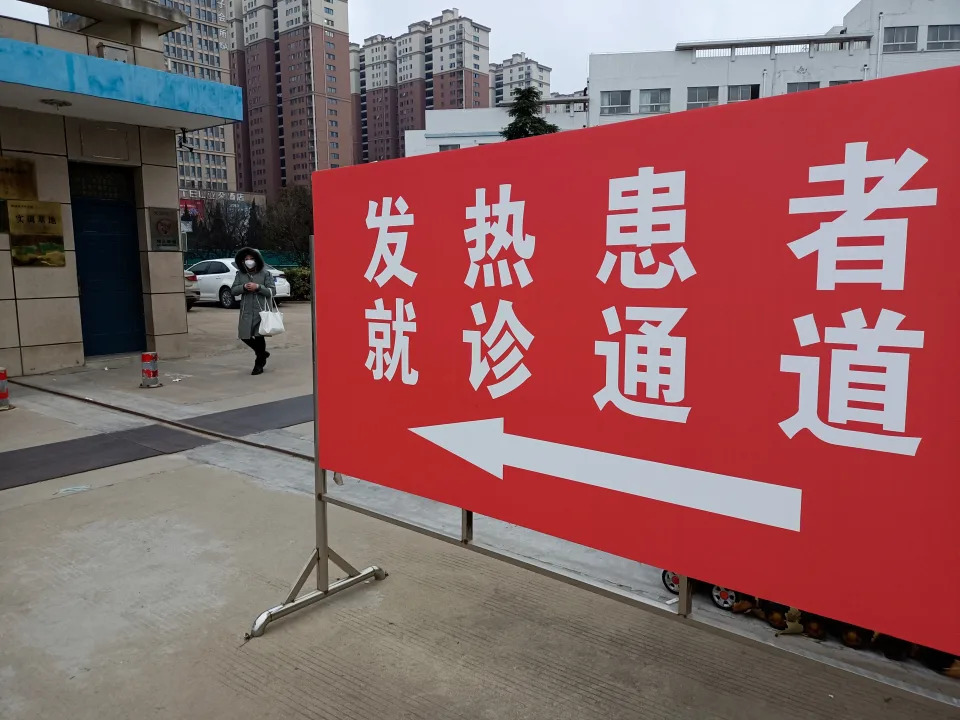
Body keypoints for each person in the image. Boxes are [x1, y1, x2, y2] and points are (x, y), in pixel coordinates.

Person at [231, 247, 276, 375]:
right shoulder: (240, 274)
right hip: (246, 310)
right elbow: (233, 290)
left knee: (258, 336)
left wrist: (258, 287)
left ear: (257, 260)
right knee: (244, 335)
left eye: (251, 258)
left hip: (261, 310)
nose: (249, 261)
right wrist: (244, 287)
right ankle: (262, 353)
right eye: (246, 259)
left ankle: (259, 363)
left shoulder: (265, 274)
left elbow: (272, 291)